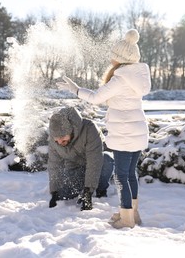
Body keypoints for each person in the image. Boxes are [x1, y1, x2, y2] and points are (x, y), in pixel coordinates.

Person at [56, 29, 151, 228]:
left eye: (113, 55)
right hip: (137, 131)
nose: (110, 58)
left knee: (121, 176)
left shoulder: (120, 79)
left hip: (124, 133)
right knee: (130, 173)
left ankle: (126, 220)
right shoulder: (137, 77)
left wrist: (75, 90)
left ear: (120, 58)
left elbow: (96, 98)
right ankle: (133, 214)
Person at [48, 106, 114, 211]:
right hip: (75, 169)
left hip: (97, 165)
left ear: (70, 130)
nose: (60, 143)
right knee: (63, 194)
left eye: (62, 139)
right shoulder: (54, 138)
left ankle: (100, 190)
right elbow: (54, 165)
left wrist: (88, 192)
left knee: (107, 159)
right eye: (57, 141)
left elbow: (94, 161)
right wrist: (54, 192)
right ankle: (82, 188)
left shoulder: (89, 129)